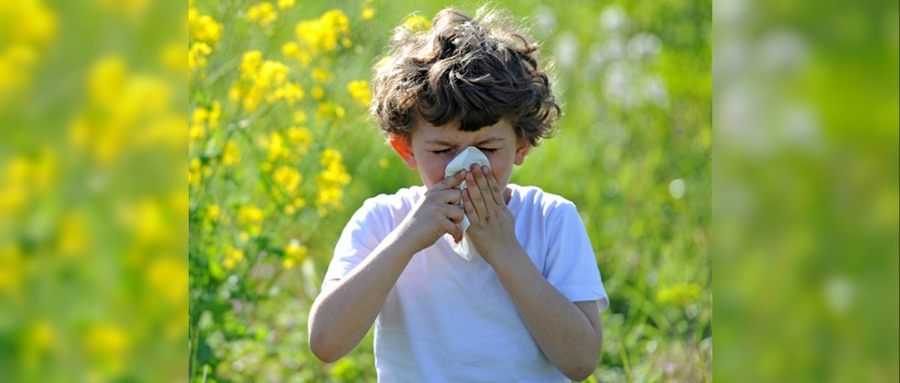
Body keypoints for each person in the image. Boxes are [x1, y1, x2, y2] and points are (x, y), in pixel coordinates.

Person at [308, 6, 609, 382]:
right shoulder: (383, 220)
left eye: (487, 148)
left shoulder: (550, 219)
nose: (466, 166)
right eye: (442, 151)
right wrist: (406, 238)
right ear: (406, 149)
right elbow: (326, 342)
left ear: (522, 145)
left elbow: (580, 361)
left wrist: (504, 250)